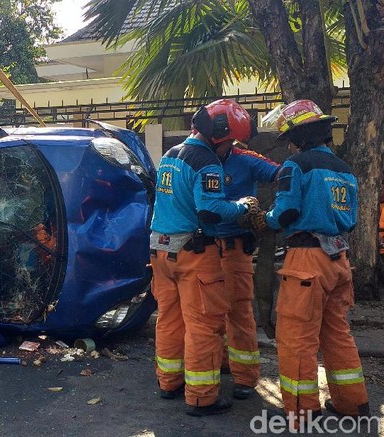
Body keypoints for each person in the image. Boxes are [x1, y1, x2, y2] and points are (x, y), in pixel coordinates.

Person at [250, 99, 369, 429]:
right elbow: (353, 220)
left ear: (299, 137)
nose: (287, 144)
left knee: (296, 337)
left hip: (306, 260)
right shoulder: (344, 170)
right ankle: (352, 404)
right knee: (337, 334)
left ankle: (302, 413)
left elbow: (285, 212)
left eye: (289, 137)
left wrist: (264, 220)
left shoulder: (296, 165)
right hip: (339, 259)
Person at [150, 99, 258, 416]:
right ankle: (201, 397)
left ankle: (169, 382)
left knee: (169, 320)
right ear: (220, 137)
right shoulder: (207, 162)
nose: (230, 150)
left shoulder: (169, 156)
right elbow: (210, 211)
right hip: (193, 255)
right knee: (204, 326)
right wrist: (243, 207)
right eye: (231, 143)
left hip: (160, 251)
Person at [216, 141, 280, 400]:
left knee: (239, 312)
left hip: (234, 247)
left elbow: (284, 174)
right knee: (208, 313)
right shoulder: (197, 156)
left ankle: (245, 376)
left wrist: (272, 214)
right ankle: (220, 362)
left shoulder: (246, 159)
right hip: (204, 248)